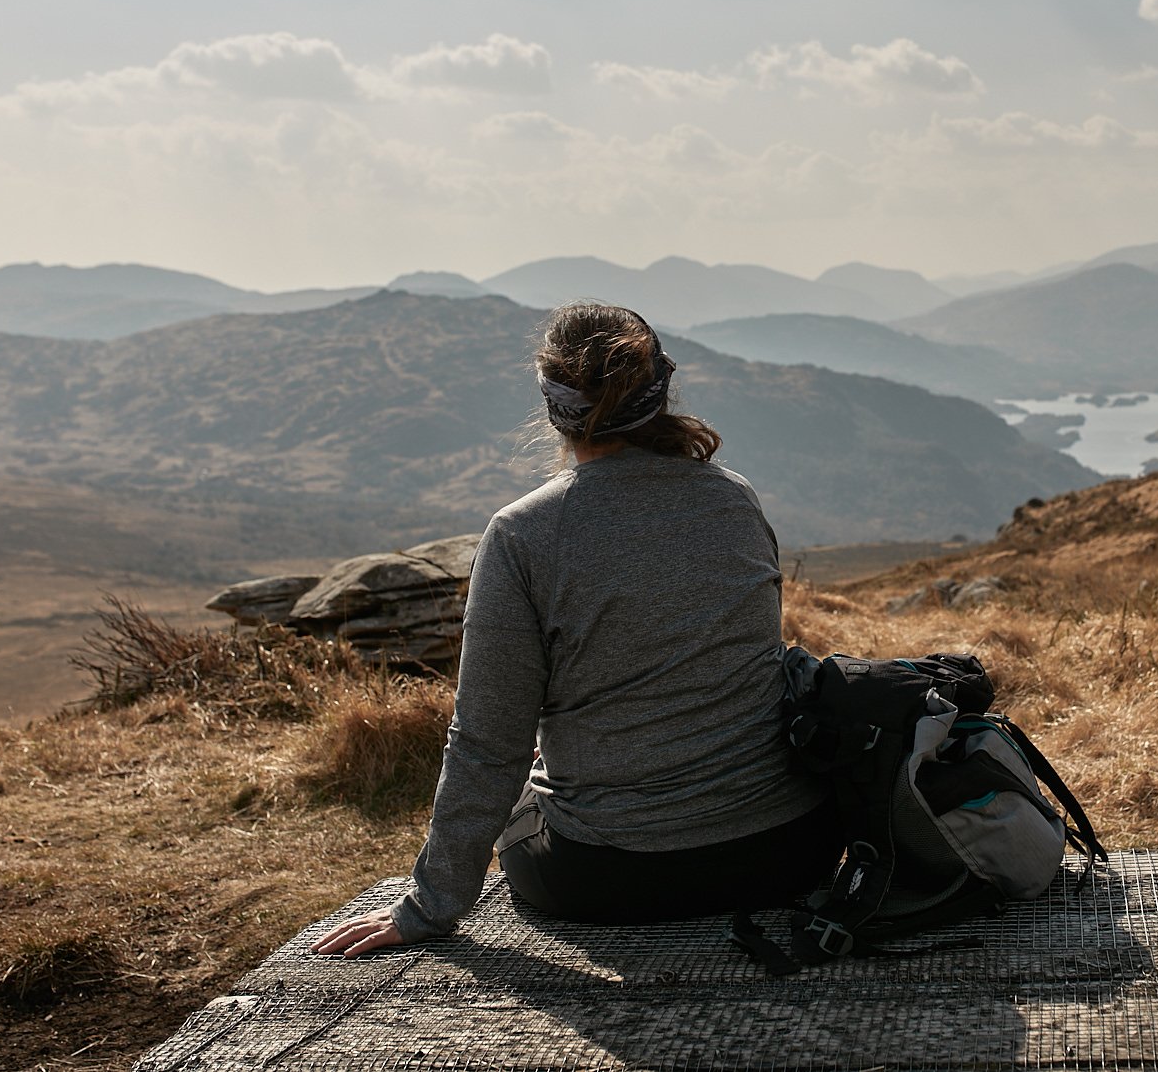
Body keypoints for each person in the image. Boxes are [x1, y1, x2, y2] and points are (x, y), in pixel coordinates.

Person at [314, 302, 837, 957]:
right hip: (786, 848)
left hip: (613, 875)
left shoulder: (524, 534)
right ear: (659, 390)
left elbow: (487, 743)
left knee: (518, 792)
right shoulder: (734, 498)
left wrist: (428, 906)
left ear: (553, 405)